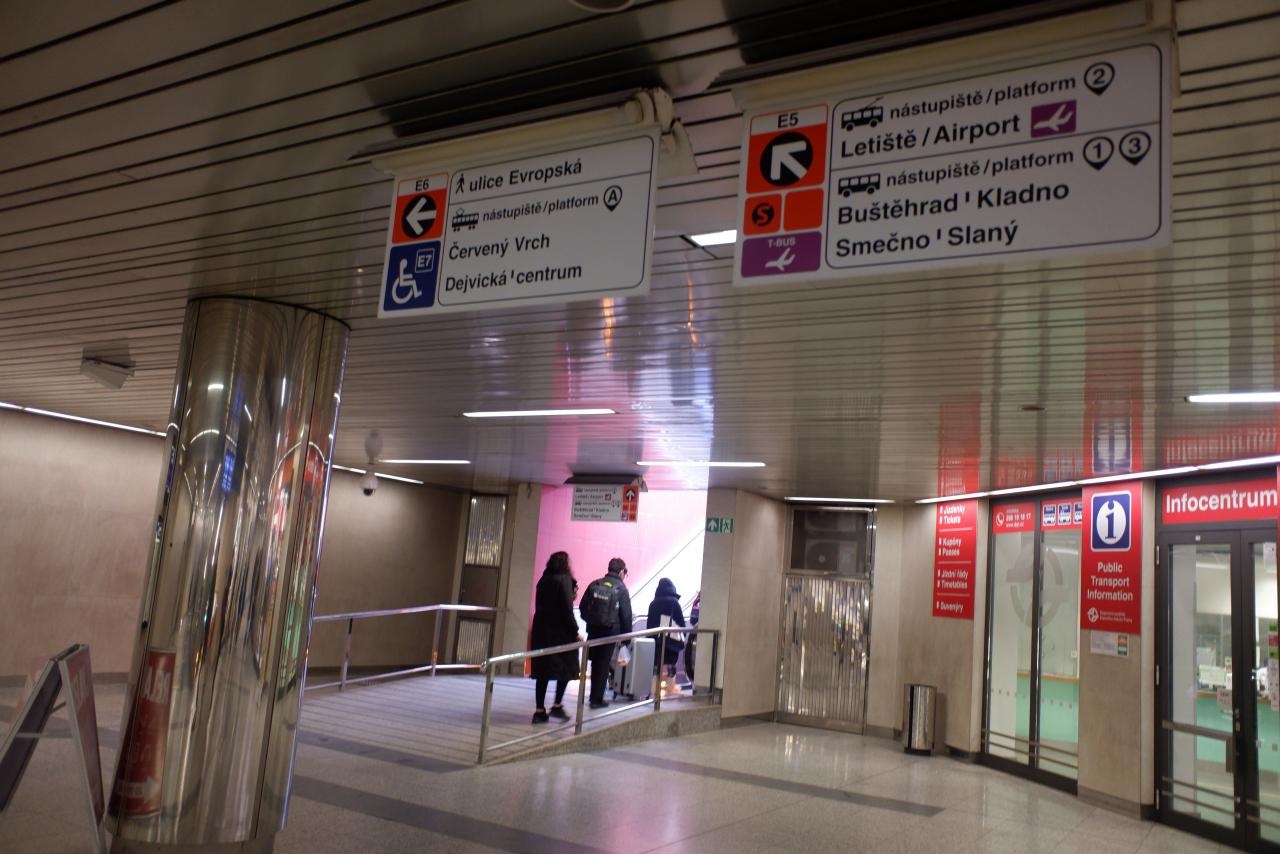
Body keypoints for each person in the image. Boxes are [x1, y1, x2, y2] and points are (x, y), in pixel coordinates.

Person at [529, 551, 579, 724]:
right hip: (560, 633)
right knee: (567, 666)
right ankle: (557, 704)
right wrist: (575, 631)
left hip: (541, 631)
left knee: (542, 671)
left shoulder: (543, 580)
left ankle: (539, 710)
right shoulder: (564, 580)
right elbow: (566, 609)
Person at [579, 557, 633, 709]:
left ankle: (593, 696)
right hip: (610, 633)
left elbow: (583, 607)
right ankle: (596, 699)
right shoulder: (621, 589)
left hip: (594, 631)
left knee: (596, 663)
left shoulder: (595, 584)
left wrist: (592, 621)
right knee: (603, 665)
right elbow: (626, 616)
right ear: (621, 571)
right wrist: (626, 638)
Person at [646, 578, 686, 679]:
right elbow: (681, 623)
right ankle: (670, 684)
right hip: (671, 642)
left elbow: (649, 625)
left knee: (656, 667)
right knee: (671, 666)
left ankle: (654, 686)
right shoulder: (674, 603)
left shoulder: (653, 604)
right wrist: (683, 637)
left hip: (656, 642)